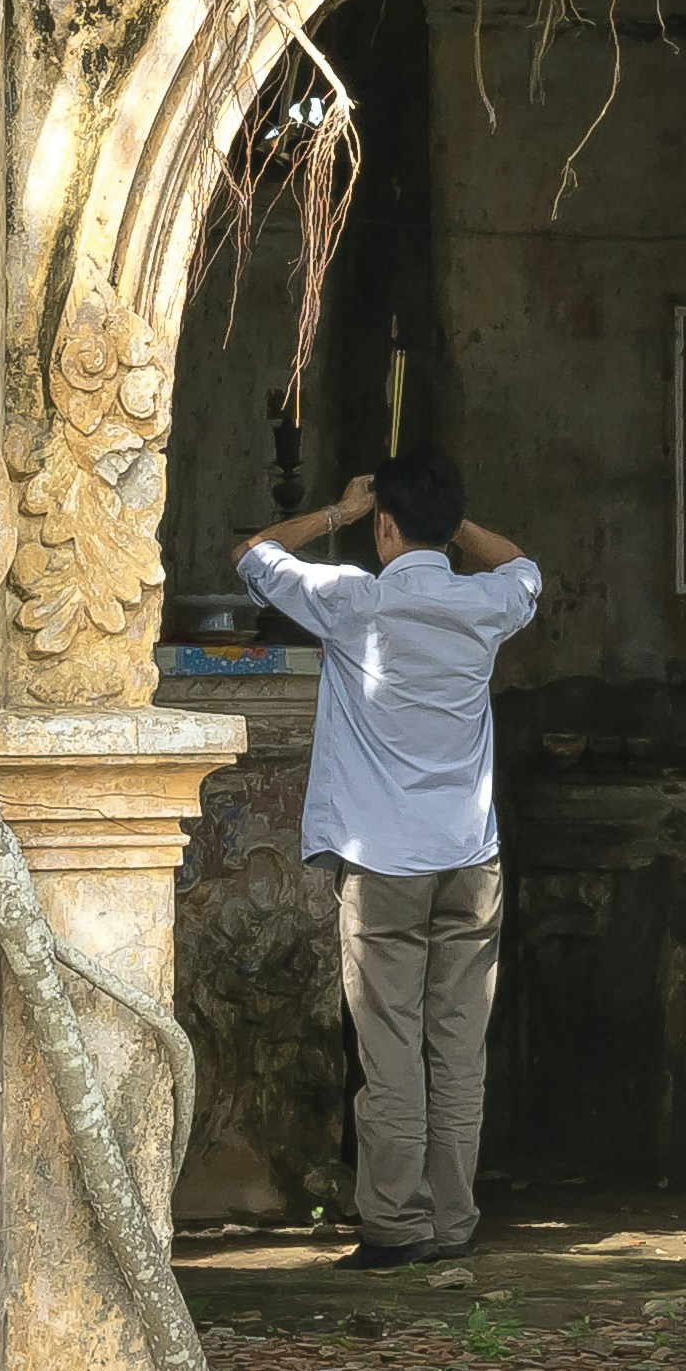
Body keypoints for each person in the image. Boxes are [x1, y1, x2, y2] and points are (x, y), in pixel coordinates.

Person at [240, 447, 541, 1266]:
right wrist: (450, 517)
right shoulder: (486, 604)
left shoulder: (352, 603)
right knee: (458, 1048)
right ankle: (452, 1222)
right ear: (446, 526)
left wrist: (337, 513)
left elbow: (252, 556)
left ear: (383, 525)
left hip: (384, 867)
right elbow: (525, 566)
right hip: (470, 860)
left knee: (391, 1050)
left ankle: (397, 1227)